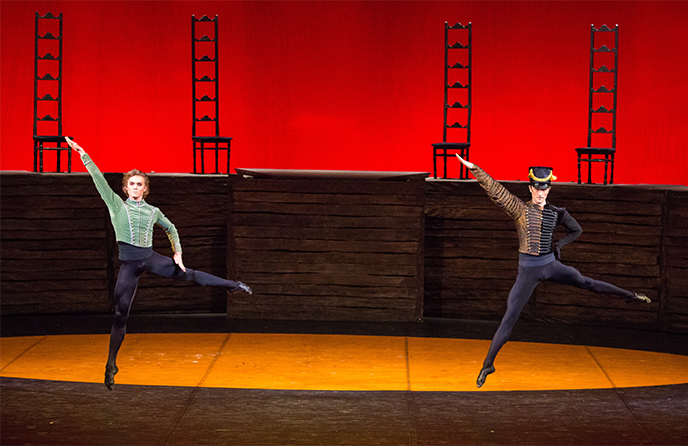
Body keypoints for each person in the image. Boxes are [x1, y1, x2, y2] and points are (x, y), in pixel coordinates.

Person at [66, 137, 252, 391]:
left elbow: (171, 227)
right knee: (121, 314)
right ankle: (111, 365)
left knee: (190, 274)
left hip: (151, 258)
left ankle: (233, 285)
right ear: (125, 188)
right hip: (129, 265)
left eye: (139, 184)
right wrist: (83, 154)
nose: (135, 187)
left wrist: (177, 253)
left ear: (145, 188)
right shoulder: (116, 206)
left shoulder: (153, 211)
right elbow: (98, 179)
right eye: (131, 183)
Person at [455, 154, 651, 388]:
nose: (540, 193)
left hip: (550, 265)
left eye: (544, 189)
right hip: (528, 270)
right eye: (537, 189)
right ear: (530, 188)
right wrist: (475, 168)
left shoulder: (557, 213)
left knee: (587, 282)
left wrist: (558, 245)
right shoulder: (520, 209)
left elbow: (576, 230)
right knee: (510, 316)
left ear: (549, 189)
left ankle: (628, 295)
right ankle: (488, 364)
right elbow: (496, 191)